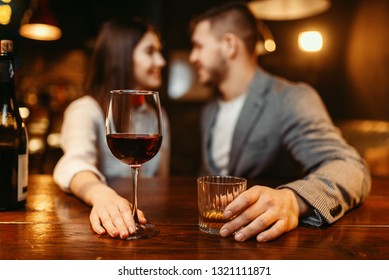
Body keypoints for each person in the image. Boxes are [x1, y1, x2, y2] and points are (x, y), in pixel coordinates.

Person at [189, 2, 371, 242]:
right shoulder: (209, 111)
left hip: (270, 249)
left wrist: (293, 199)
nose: (193, 57)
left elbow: (350, 167)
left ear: (229, 45)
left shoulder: (291, 98)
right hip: (213, 243)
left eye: (199, 46)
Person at [53, 17, 170, 239]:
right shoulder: (85, 110)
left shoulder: (158, 114)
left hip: (150, 221)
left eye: (159, 51)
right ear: (122, 55)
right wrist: (101, 195)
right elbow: (73, 163)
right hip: (105, 230)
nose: (161, 61)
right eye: (150, 51)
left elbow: (161, 180)